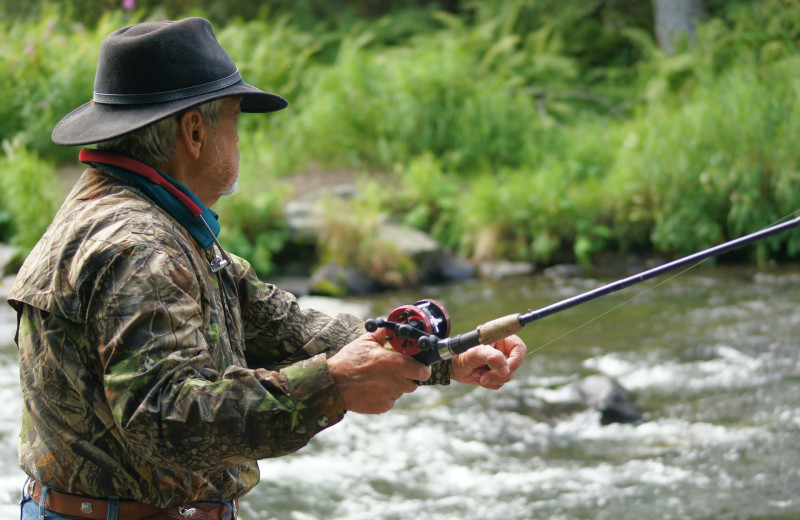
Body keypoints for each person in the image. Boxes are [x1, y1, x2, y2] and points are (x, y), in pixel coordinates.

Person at [8, 17, 527, 520]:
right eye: (234, 120)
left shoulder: (144, 217)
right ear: (194, 132)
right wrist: (332, 386)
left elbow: (283, 325)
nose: (238, 140)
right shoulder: (141, 248)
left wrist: (440, 357)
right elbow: (166, 420)